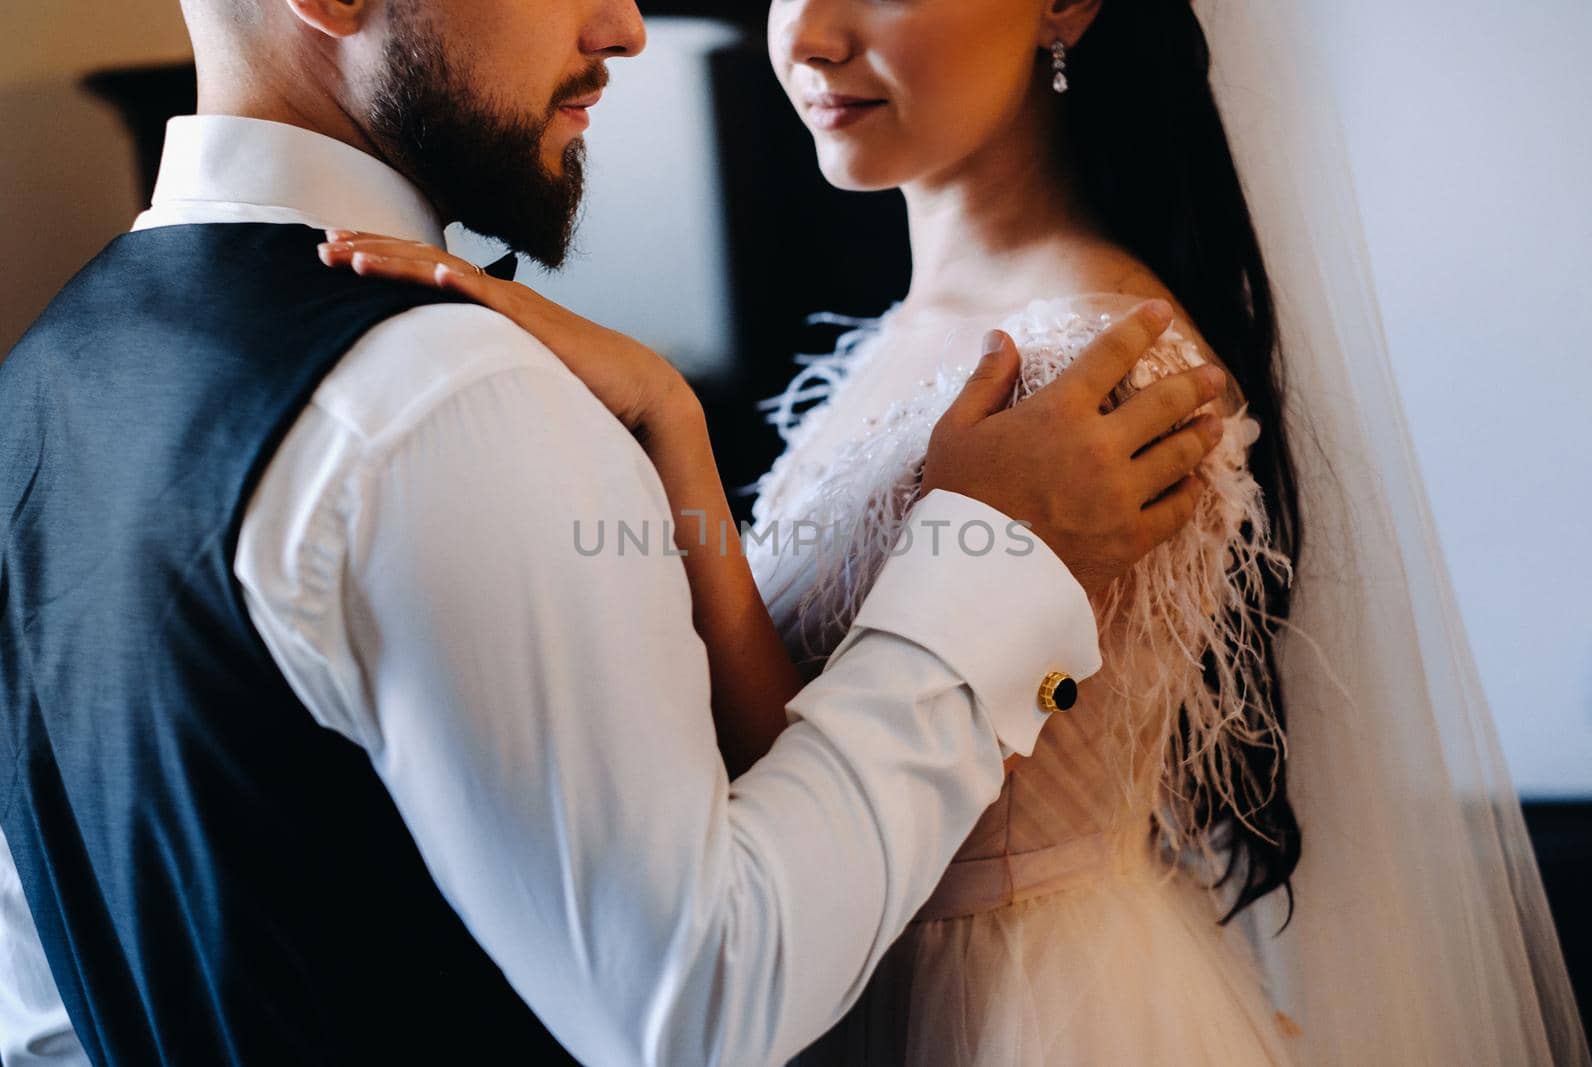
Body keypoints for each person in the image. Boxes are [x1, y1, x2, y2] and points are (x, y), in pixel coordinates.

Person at [323, 0, 1591, 1063]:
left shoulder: (1090, 375)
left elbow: (890, 838)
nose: (808, 38)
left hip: (1019, 1015)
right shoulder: (945, 325)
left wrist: (670, 425)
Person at [0, 1, 1235, 1064]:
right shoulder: (440, 394)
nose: (628, 27)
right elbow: (695, 1003)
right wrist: (991, 557)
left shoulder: (46, 380)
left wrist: (674, 438)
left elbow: (41, 1001)